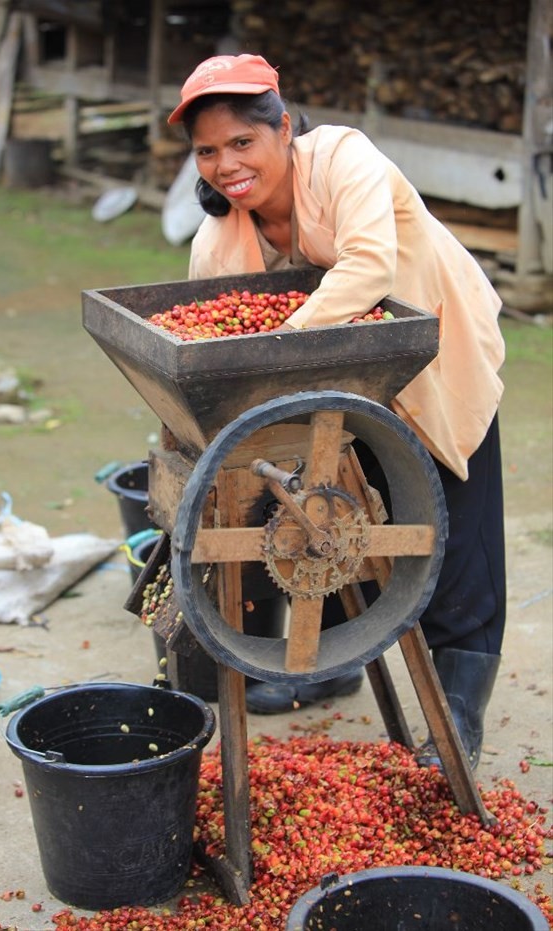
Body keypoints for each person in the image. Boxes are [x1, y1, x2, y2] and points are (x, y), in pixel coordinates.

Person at [167, 54, 506, 771]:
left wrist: (279, 346)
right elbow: (212, 325)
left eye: (241, 142)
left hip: (432, 354)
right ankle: (340, 657)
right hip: (344, 378)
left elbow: (369, 266)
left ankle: (461, 713)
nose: (226, 164)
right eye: (206, 150)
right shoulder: (221, 235)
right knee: (344, 510)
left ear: (283, 129)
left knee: (455, 515)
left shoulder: (342, 158)